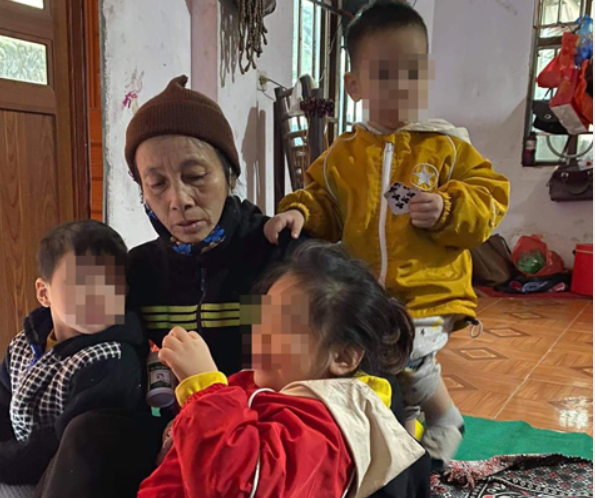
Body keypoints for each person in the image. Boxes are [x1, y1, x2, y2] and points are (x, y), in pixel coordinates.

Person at [33, 76, 304, 498]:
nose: (178, 200)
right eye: (157, 184)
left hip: (258, 435)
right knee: (88, 432)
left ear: (230, 173)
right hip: (166, 431)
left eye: (195, 175)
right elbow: (87, 328)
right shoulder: (139, 270)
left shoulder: (279, 255)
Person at [264, 0, 510, 464]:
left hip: (428, 293)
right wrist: (298, 212)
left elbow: (490, 197)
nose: (401, 86)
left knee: (406, 356)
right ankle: (403, 438)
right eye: (384, 74)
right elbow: (322, 201)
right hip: (368, 294)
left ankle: (445, 418)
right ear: (354, 85)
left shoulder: (447, 146)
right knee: (377, 368)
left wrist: (448, 206)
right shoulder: (343, 156)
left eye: (412, 72)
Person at [137, 241, 429, 498]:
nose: (259, 335)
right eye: (261, 319)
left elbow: (238, 488)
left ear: (343, 357)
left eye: (281, 328)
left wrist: (205, 389)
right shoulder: (267, 384)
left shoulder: (329, 427)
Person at [0, 220, 145, 498]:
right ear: (44, 293)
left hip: (65, 476)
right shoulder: (24, 344)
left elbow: (63, 442)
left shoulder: (112, 360)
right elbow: (0, 400)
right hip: (20, 461)